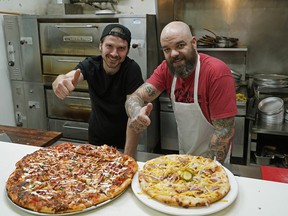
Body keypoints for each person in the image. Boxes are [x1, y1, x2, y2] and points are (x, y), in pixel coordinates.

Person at [125, 21, 237, 163]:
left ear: (194, 43)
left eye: (180, 45)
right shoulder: (166, 69)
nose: (174, 54)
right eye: (167, 49)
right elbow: (136, 97)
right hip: (184, 155)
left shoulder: (216, 72)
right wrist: (136, 113)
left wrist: (206, 170)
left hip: (213, 159)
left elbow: (223, 133)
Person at [52, 24, 144, 156]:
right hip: (95, 139)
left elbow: (133, 112)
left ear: (128, 51)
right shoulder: (90, 65)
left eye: (121, 48)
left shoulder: (132, 70)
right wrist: (60, 80)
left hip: (124, 141)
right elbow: (67, 77)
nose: (114, 53)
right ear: (100, 45)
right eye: (109, 46)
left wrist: (128, 157)